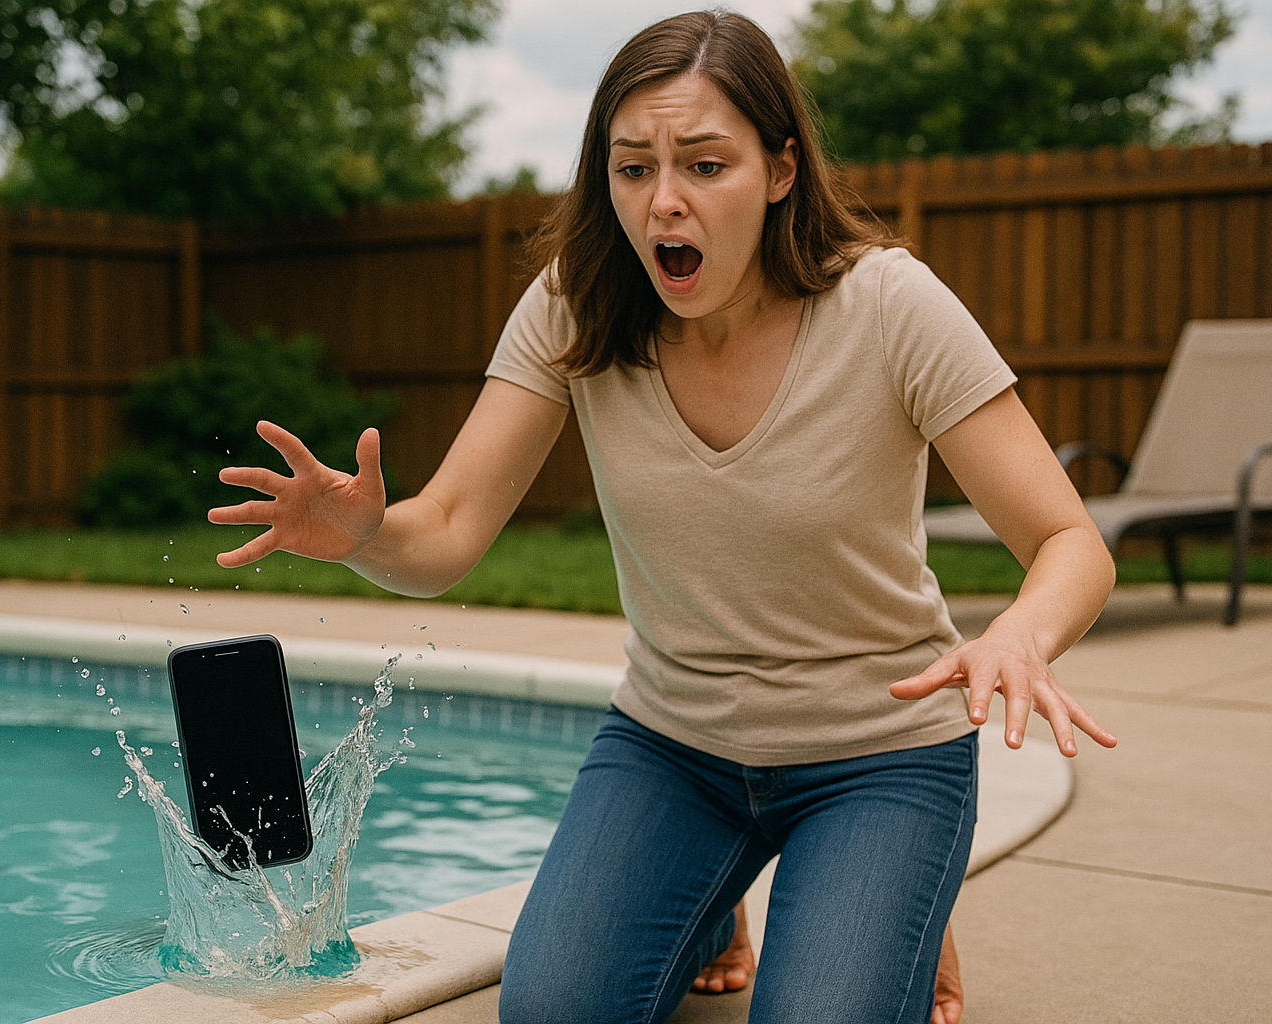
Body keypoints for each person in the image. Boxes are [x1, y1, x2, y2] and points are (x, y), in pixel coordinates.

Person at [209, 11, 1116, 1023]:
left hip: (879, 756)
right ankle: (718, 889)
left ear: (779, 171)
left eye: (704, 164)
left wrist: (1020, 635)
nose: (663, 201)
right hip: (675, 749)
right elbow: (451, 530)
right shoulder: (579, 305)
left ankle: (879, 880)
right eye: (632, 167)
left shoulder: (890, 307)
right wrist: (370, 537)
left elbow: (1070, 540)